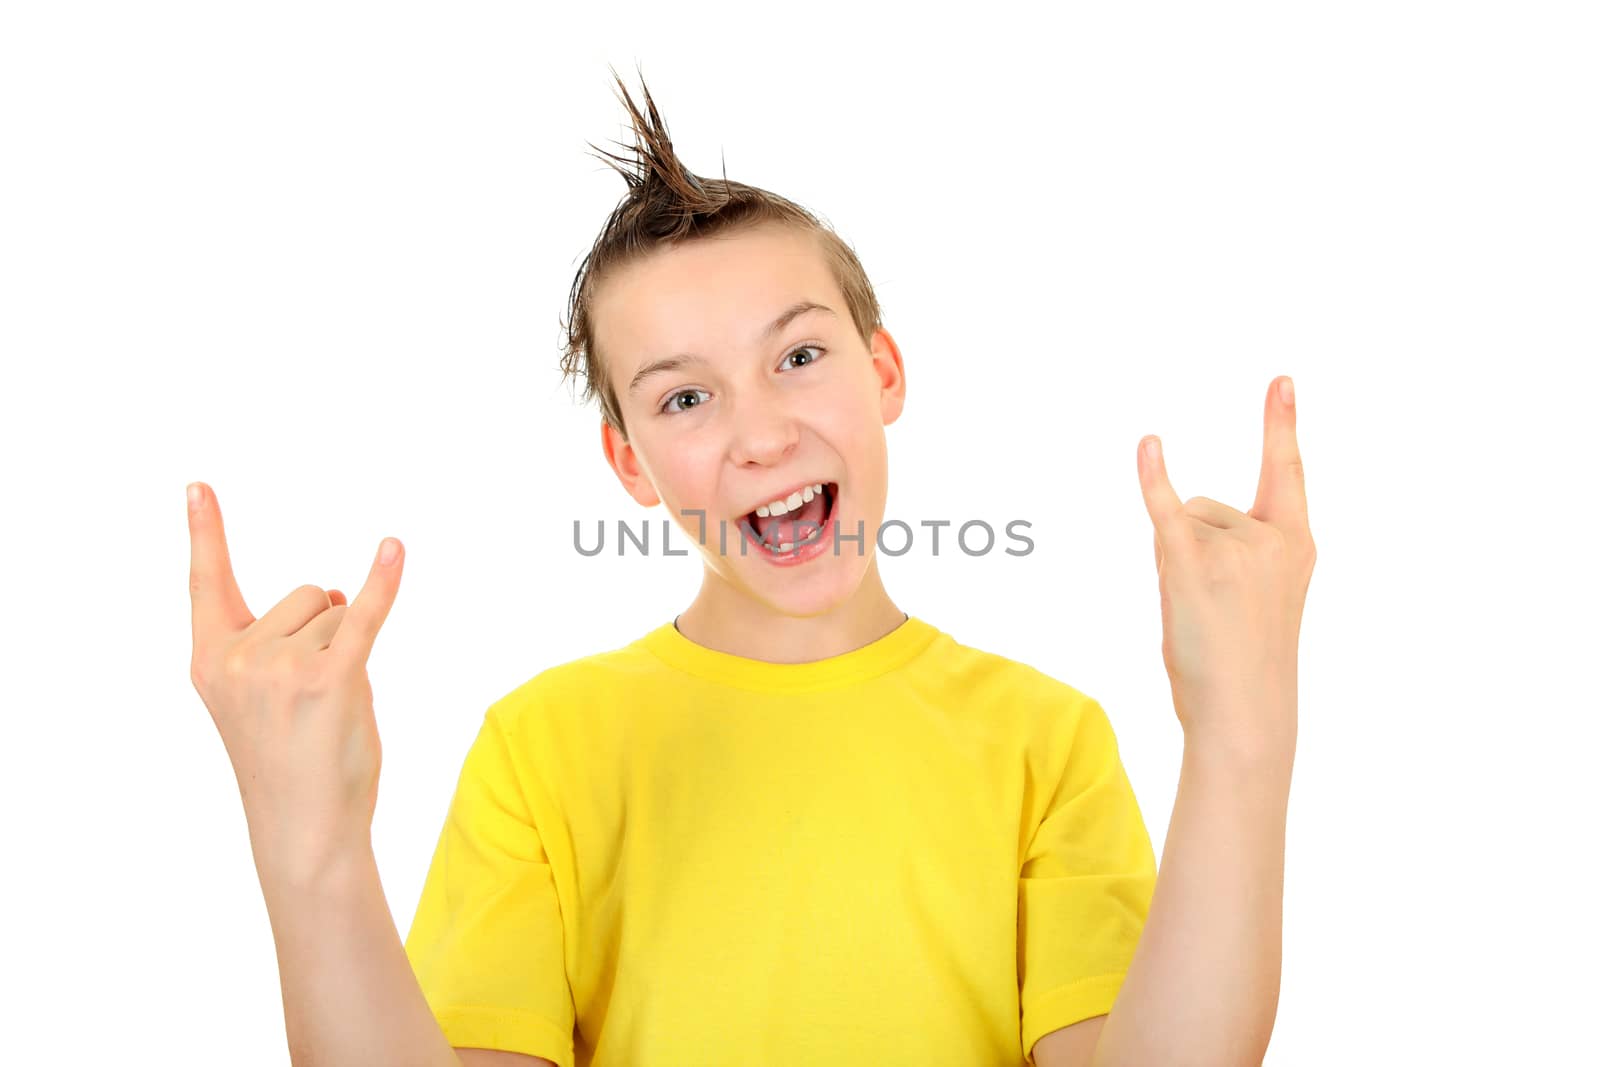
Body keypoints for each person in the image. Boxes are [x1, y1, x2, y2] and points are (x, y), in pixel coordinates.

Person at [185, 68, 1315, 1067]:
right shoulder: (540, 748)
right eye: (685, 395)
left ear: (884, 371)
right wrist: (310, 845)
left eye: (800, 355)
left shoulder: (1044, 737)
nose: (761, 432)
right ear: (629, 460)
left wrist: (1241, 730)